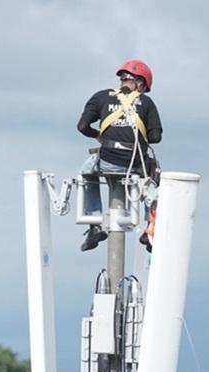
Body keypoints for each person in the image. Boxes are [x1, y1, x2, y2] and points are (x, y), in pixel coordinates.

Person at [76, 59, 163, 252]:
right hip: (136, 165)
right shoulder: (146, 103)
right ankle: (151, 227)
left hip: (107, 162)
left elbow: (82, 127)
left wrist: (99, 135)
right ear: (140, 84)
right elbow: (156, 137)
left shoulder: (101, 97)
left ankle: (95, 221)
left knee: (86, 172)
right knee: (154, 178)